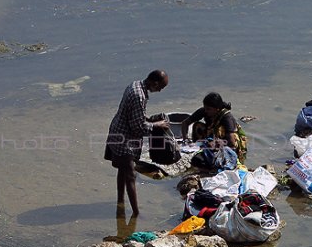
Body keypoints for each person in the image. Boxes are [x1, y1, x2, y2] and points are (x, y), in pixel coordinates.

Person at [104, 69, 169, 215]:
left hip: (117, 130)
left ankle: (120, 201)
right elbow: (138, 127)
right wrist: (156, 125)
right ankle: (136, 213)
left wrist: (148, 119)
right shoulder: (139, 96)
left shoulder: (135, 85)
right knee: (131, 175)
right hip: (124, 139)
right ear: (154, 82)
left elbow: (135, 115)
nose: (160, 90)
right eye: (161, 87)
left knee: (122, 170)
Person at [181, 92, 247, 161]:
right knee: (197, 126)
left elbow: (232, 143)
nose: (206, 111)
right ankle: (198, 148)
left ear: (217, 109)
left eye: (208, 109)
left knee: (220, 131)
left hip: (226, 143)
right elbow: (185, 123)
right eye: (205, 108)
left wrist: (217, 145)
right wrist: (186, 140)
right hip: (211, 139)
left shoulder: (227, 118)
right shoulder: (204, 111)